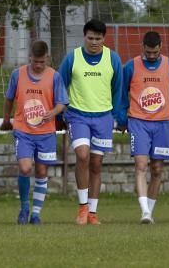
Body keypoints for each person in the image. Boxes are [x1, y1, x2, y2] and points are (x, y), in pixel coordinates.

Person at [60, 19, 123, 225]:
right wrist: (61, 112)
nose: (94, 42)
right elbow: (60, 85)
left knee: (96, 164)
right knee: (82, 155)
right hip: (78, 115)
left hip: (103, 117)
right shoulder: (72, 58)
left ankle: (93, 213)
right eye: (90, 38)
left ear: (104, 38)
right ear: (84, 37)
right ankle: (82, 207)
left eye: (98, 38)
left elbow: (118, 90)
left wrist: (117, 116)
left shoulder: (113, 59)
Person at [2, 41, 68, 225]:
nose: (38, 65)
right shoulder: (18, 74)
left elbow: (62, 102)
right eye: (35, 61)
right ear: (30, 57)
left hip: (46, 132)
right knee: (25, 168)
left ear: (47, 58)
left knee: (41, 171)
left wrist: (53, 113)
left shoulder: (54, 77)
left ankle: (36, 213)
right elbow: (8, 99)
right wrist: (6, 119)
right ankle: (24, 208)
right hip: (23, 130)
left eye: (42, 61)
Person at [116, 32, 169, 224]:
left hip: (163, 123)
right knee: (141, 165)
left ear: (161, 47)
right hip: (138, 121)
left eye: (155, 52)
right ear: (142, 46)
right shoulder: (131, 66)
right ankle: (144, 211)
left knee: (158, 169)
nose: (152, 56)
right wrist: (122, 118)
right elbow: (121, 94)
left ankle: (150, 212)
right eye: (149, 52)